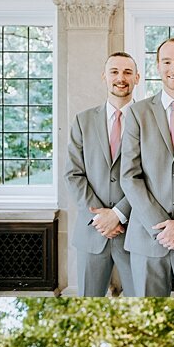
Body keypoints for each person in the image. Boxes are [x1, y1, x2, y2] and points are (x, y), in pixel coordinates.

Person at [121, 38, 174, 297]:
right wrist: (161, 225)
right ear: (157, 66)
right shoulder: (137, 113)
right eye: (167, 62)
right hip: (147, 237)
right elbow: (129, 175)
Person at [65, 52, 139, 296]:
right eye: (114, 72)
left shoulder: (149, 119)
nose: (121, 78)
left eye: (127, 72)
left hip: (135, 231)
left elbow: (151, 177)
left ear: (137, 78)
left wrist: (119, 214)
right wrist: (101, 217)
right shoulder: (83, 121)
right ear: (104, 77)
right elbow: (74, 174)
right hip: (91, 231)